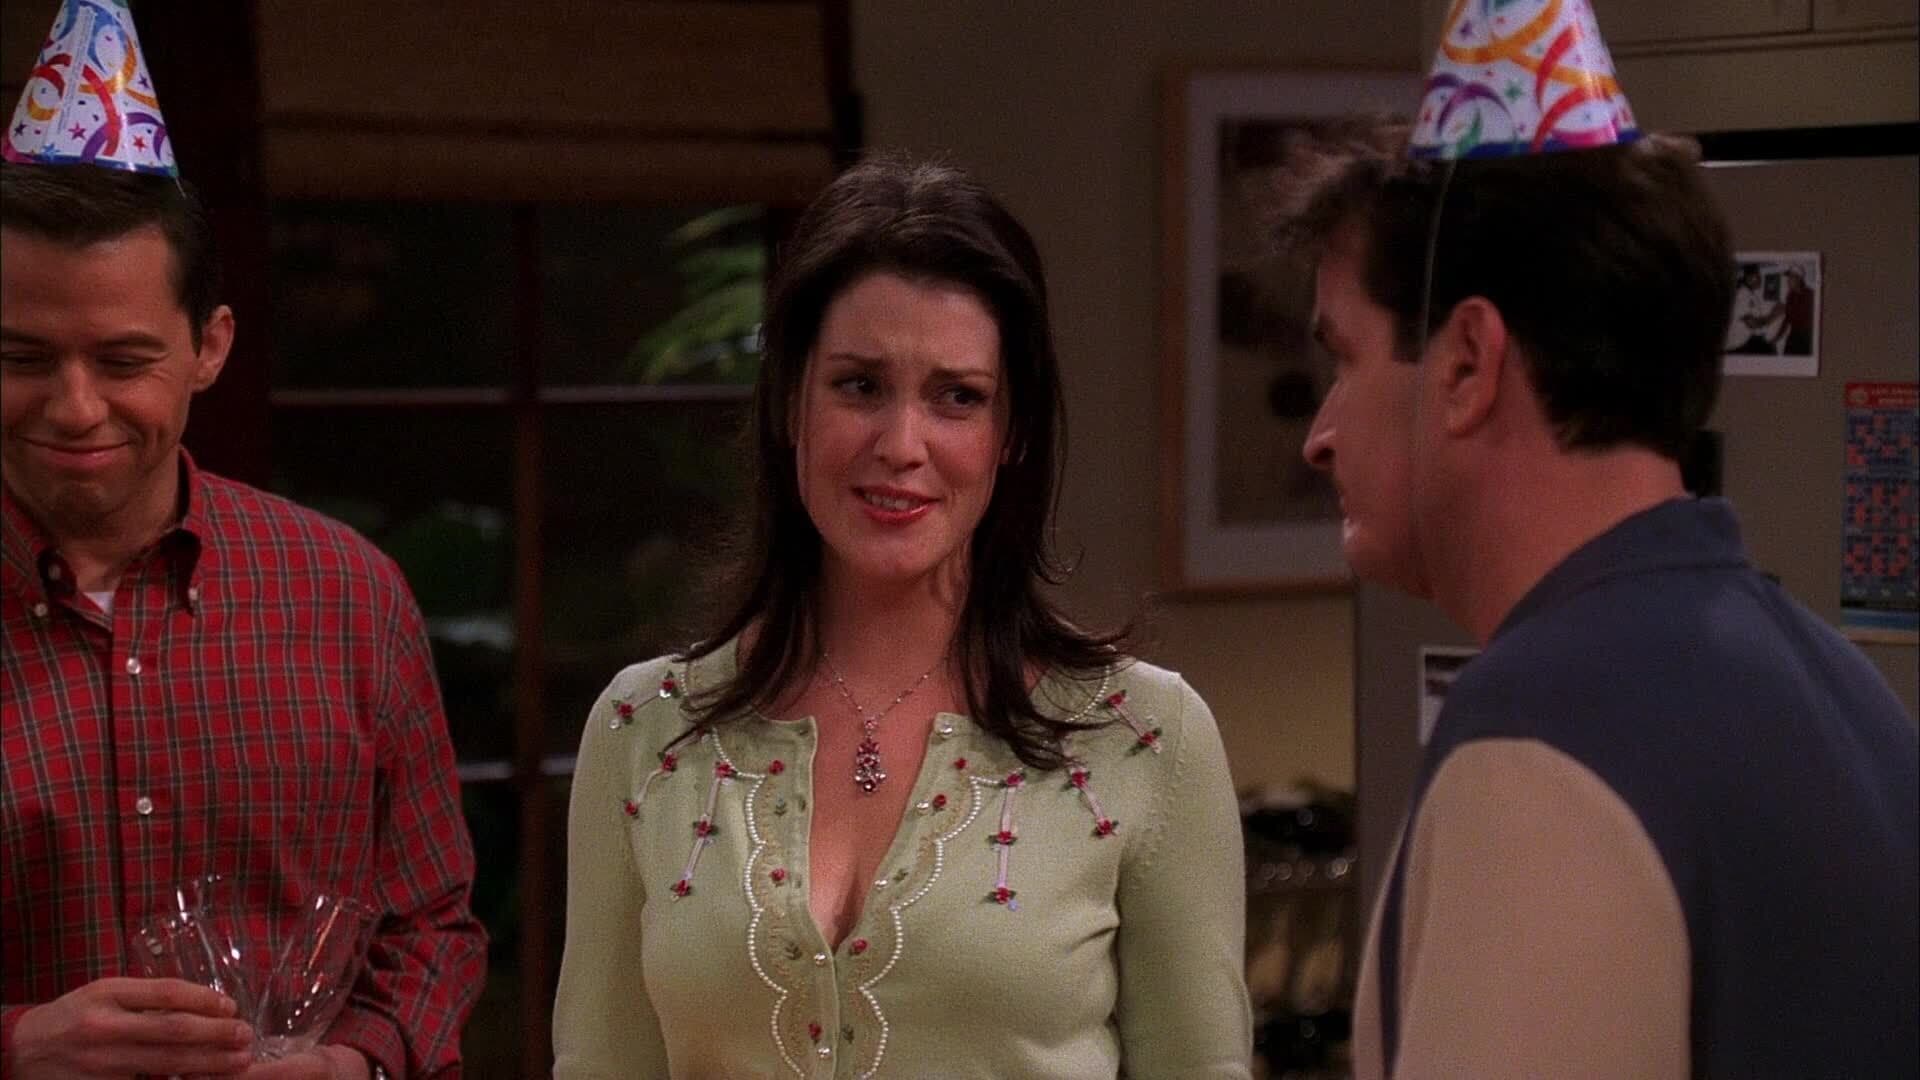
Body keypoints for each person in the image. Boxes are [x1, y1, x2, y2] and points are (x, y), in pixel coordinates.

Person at [552, 154, 1252, 1077]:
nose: (902, 445)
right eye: (860, 386)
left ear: (1012, 433)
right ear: (791, 403)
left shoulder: (1144, 739)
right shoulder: (643, 732)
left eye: (957, 397)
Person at [1281, 120, 1919, 1077]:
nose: (1319, 437)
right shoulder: (1849, 692)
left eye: (1346, 358)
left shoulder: (1540, 732)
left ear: (1467, 363)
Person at [0, 161, 486, 1078]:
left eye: (123, 361)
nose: (75, 408)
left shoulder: (348, 594)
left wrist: (358, 1063)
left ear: (210, 347)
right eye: (21, 360)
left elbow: (431, 925)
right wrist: (18, 1045)